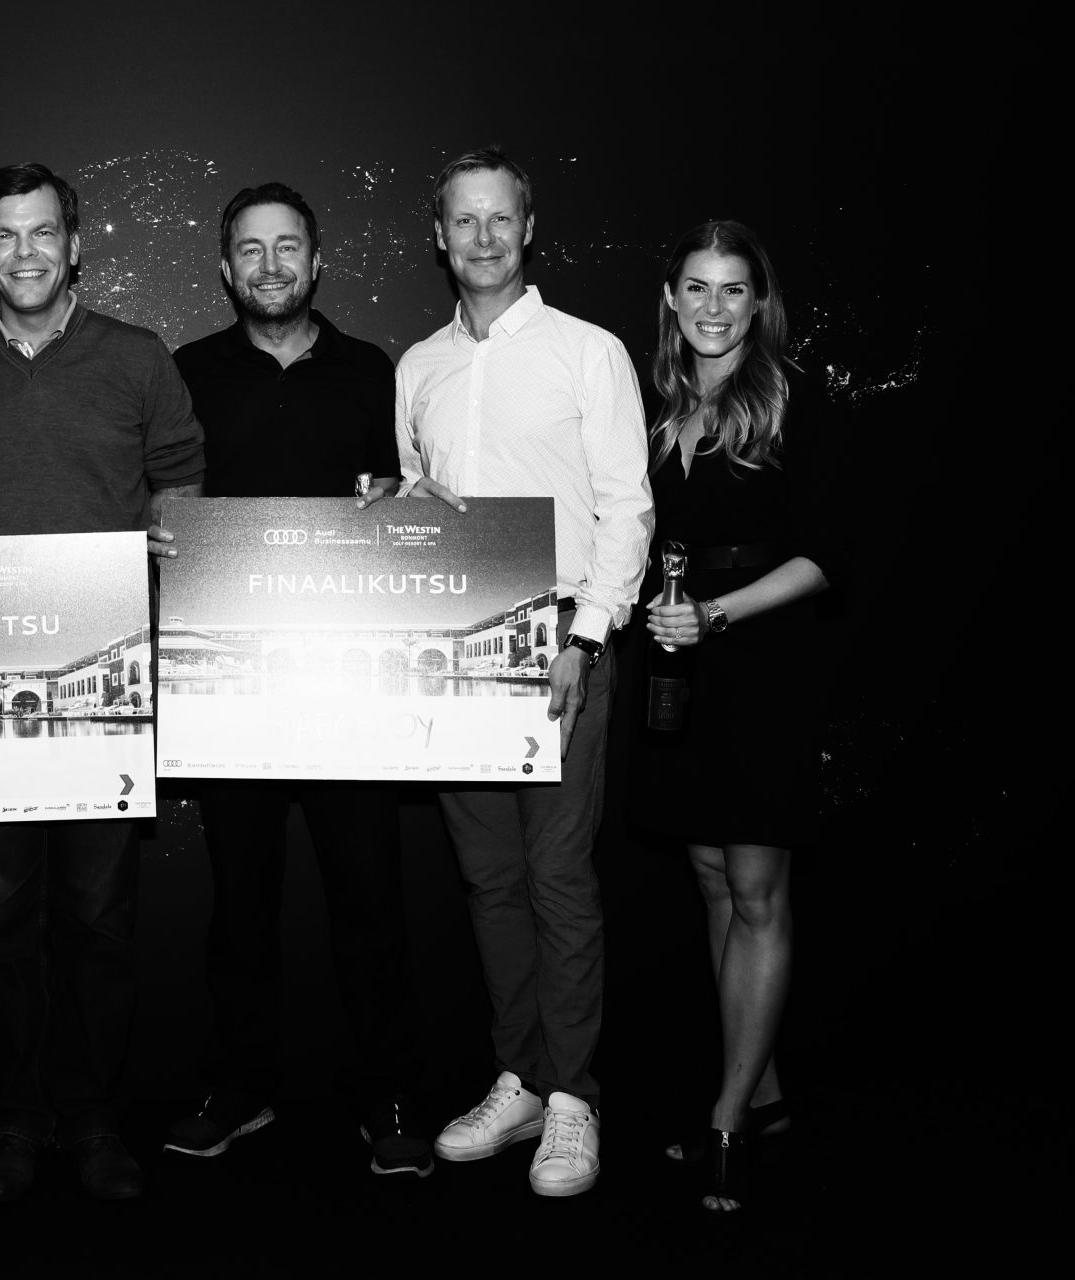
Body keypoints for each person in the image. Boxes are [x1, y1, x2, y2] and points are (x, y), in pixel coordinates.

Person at [0, 162, 204, 1203]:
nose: (24, 252)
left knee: (100, 922)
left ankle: (94, 1116)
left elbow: (180, 469)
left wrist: (167, 531)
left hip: (105, 679)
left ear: (74, 246)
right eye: (5, 235)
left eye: (42, 233)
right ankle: (16, 1117)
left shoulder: (136, 354)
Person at [394, 147, 653, 1197]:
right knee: (491, 880)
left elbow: (627, 506)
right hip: (460, 651)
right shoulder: (418, 367)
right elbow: (417, 505)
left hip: (560, 644)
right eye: (465, 220)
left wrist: (586, 640)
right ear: (440, 236)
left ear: (528, 227)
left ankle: (576, 1094)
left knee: (558, 877)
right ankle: (522, 1081)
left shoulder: (589, 351)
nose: (484, 237)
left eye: (500, 218)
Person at [163, 183, 427, 1176]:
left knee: (371, 901)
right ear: (225, 267)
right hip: (229, 684)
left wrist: (399, 507)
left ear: (317, 261)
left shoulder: (371, 370)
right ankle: (240, 1087)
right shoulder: (187, 372)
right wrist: (156, 527)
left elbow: (405, 504)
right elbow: (162, 498)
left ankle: (389, 1093)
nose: (270, 265)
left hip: (349, 682)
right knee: (240, 906)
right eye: (250, 249)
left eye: (287, 247)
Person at [635, 220, 840, 1213]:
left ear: (760, 303)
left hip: (762, 664)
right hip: (679, 667)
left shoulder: (794, 399)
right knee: (713, 877)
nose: (712, 308)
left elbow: (828, 556)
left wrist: (716, 614)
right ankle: (760, 1095)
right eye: (696, 288)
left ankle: (724, 1117)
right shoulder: (662, 407)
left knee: (757, 888)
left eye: (732, 290)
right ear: (671, 298)